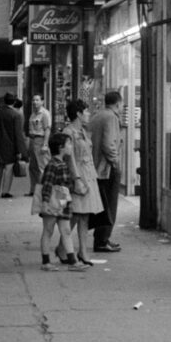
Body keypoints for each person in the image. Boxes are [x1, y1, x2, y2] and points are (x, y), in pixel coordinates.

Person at [58, 99, 103, 266]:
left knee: (83, 215)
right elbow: (69, 159)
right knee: (76, 214)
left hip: (88, 175)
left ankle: (80, 250)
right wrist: (76, 179)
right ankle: (66, 248)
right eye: (86, 111)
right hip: (77, 176)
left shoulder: (82, 131)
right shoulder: (69, 132)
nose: (88, 114)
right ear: (78, 113)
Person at [38, 132, 87, 272]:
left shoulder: (60, 164)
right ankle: (46, 261)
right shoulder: (54, 165)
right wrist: (45, 203)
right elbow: (47, 184)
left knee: (65, 230)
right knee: (49, 230)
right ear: (61, 147)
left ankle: (72, 261)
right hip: (56, 198)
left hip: (62, 198)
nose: (71, 146)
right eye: (69, 144)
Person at [88, 90, 123, 253]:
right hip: (107, 168)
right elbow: (109, 144)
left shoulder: (97, 116)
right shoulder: (111, 117)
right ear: (118, 104)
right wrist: (115, 163)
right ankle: (103, 240)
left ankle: (101, 239)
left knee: (102, 205)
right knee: (110, 205)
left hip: (95, 167)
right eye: (121, 105)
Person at [0, 92, 28, 198]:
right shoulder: (16, 115)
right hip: (10, 145)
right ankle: (5, 191)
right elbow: (18, 134)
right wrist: (22, 151)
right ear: (14, 102)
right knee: (9, 168)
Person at [26, 94, 51, 196]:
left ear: (42, 102)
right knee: (32, 167)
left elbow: (47, 129)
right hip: (32, 141)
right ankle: (33, 190)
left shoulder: (44, 113)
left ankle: (44, 191)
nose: (34, 102)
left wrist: (45, 144)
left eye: (37, 100)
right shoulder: (33, 114)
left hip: (40, 140)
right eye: (33, 100)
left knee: (42, 167)